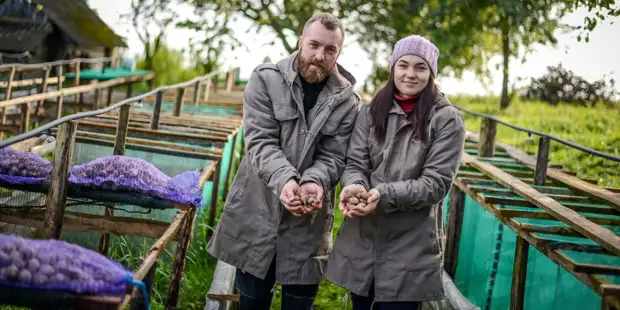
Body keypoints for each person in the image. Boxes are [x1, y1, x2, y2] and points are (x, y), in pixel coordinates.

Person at [207, 12, 361, 310]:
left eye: (330, 50)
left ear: (339, 53)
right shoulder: (265, 79)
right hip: (258, 207)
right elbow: (260, 142)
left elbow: (334, 155)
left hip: (309, 216)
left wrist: (314, 182)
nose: (320, 55)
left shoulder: (347, 101)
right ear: (300, 40)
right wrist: (286, 180)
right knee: (252, 297)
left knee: (300, 300)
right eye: (314, 45)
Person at [324, 34, 466, 309]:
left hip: (411, 243)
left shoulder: (446, 119)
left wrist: (383, 194)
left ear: (431, 73)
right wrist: (355, 186)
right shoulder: (371, 111)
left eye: (420, 67)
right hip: (365, 236)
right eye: (403, 65)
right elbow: (355, 163)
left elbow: (436, 183)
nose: (410, 74)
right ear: (393, 68)